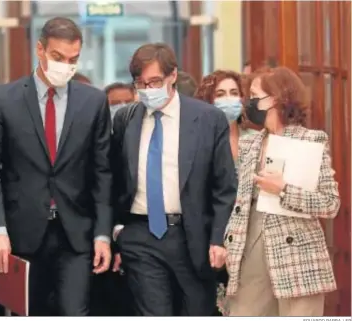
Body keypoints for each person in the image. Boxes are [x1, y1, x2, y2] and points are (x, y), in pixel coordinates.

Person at [0, 17, 113, 316]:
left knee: (74, 312)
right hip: (21, 234)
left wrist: (102, 234)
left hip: (75, 233)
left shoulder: (93, 101)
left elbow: (102, 172)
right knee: (29, 312)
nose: (66, 66)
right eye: (58, 57)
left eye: (73, 59)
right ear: (40, 50)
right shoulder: (3, 100)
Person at [111, 43, 237, 316]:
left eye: (155, 81)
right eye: (141, 84)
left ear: (173, 76)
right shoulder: (126, 119)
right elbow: (115, 177)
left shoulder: (207, 119)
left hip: (191, 236)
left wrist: (217, 238)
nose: (148, 90)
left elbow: (224, 186)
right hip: (140, 235)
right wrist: (117, 230)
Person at [224, 66, 340, 316]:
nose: (249, 102)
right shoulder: (249, 143)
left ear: (275, 98)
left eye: (254, 95)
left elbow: (330, 204)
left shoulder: (311, 140)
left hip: (296, 257)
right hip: (249, 250)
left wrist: (284, 190)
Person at [195, 70, 257, 162]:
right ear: (208, 101)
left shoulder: (255, 138)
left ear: (242, 98)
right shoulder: (199, 141)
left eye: (234, 93)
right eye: (220, 95)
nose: (228, 99)